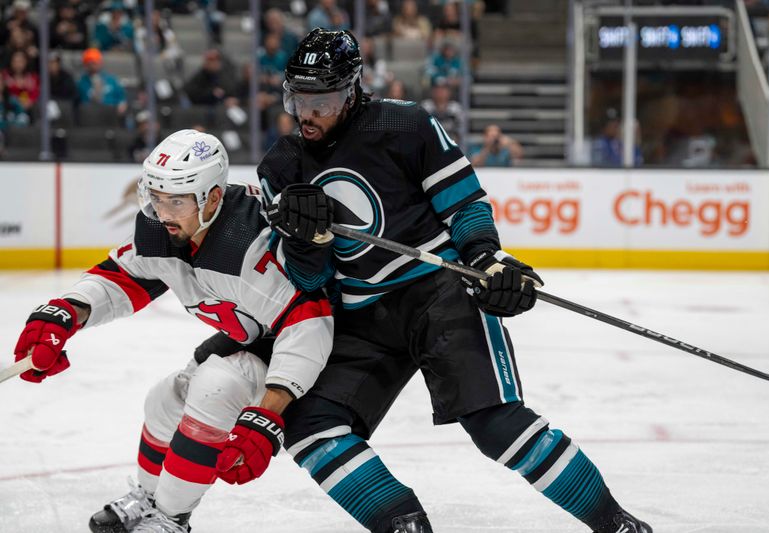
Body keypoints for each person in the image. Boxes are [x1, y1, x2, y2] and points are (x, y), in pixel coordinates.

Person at [256, 28, 652, 533]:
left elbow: (464, 205)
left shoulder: (406, 124)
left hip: (436, 294)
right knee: (311, 425)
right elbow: (307, 278)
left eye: (323, 100)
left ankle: (616, 524)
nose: (307, 114)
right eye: (298, 98)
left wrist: (486, 258)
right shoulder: (281, 167)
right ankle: (403, 525)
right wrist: (306, 241)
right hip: (358, 316)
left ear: (353, 89)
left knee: (497, 425)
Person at [11, 129, 333, 533]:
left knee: (213, 387)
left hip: (308, 351)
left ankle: (170, 519)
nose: (162, 212)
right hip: (252, 337)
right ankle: (150, 501)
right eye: (157, 196)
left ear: (213, 198)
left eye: (176, 200)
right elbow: (123, 276)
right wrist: (63, 313)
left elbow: (310, 323)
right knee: (164, 399)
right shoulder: (164, 228)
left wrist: (267, 413)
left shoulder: (246, 242)